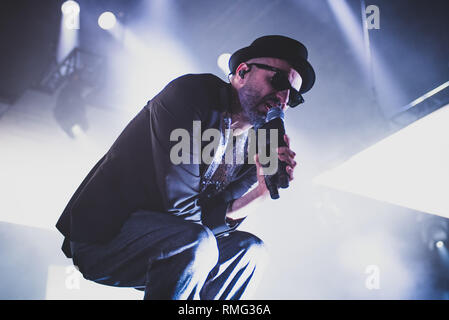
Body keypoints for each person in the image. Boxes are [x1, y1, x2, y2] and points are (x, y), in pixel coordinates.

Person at [56, 35, 315, 300]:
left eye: (293, 97)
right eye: (278, 80)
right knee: (196, 241)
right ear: (242, 72)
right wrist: (221, 218)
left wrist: (260, 193)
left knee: (251, 251)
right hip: (106, 237)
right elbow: (179, 207)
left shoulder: (263, 142)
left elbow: (218, 214)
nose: (283, 98)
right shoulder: (192, 96)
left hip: (183, 245)